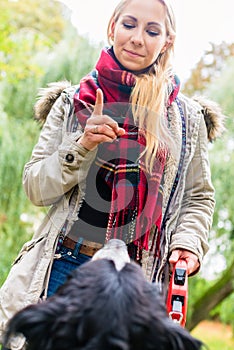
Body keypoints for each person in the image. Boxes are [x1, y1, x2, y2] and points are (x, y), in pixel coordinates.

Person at [0, 0, 224, 349]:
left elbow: (199, 197)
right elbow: (35, 189)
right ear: (112, 27)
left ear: (167, 41)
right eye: (129, 24)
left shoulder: (188, 119)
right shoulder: (72, 102)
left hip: (136, 282)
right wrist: (82, 143)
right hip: (65, 269)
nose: (137, 38)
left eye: (152, 31)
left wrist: (187, 245)